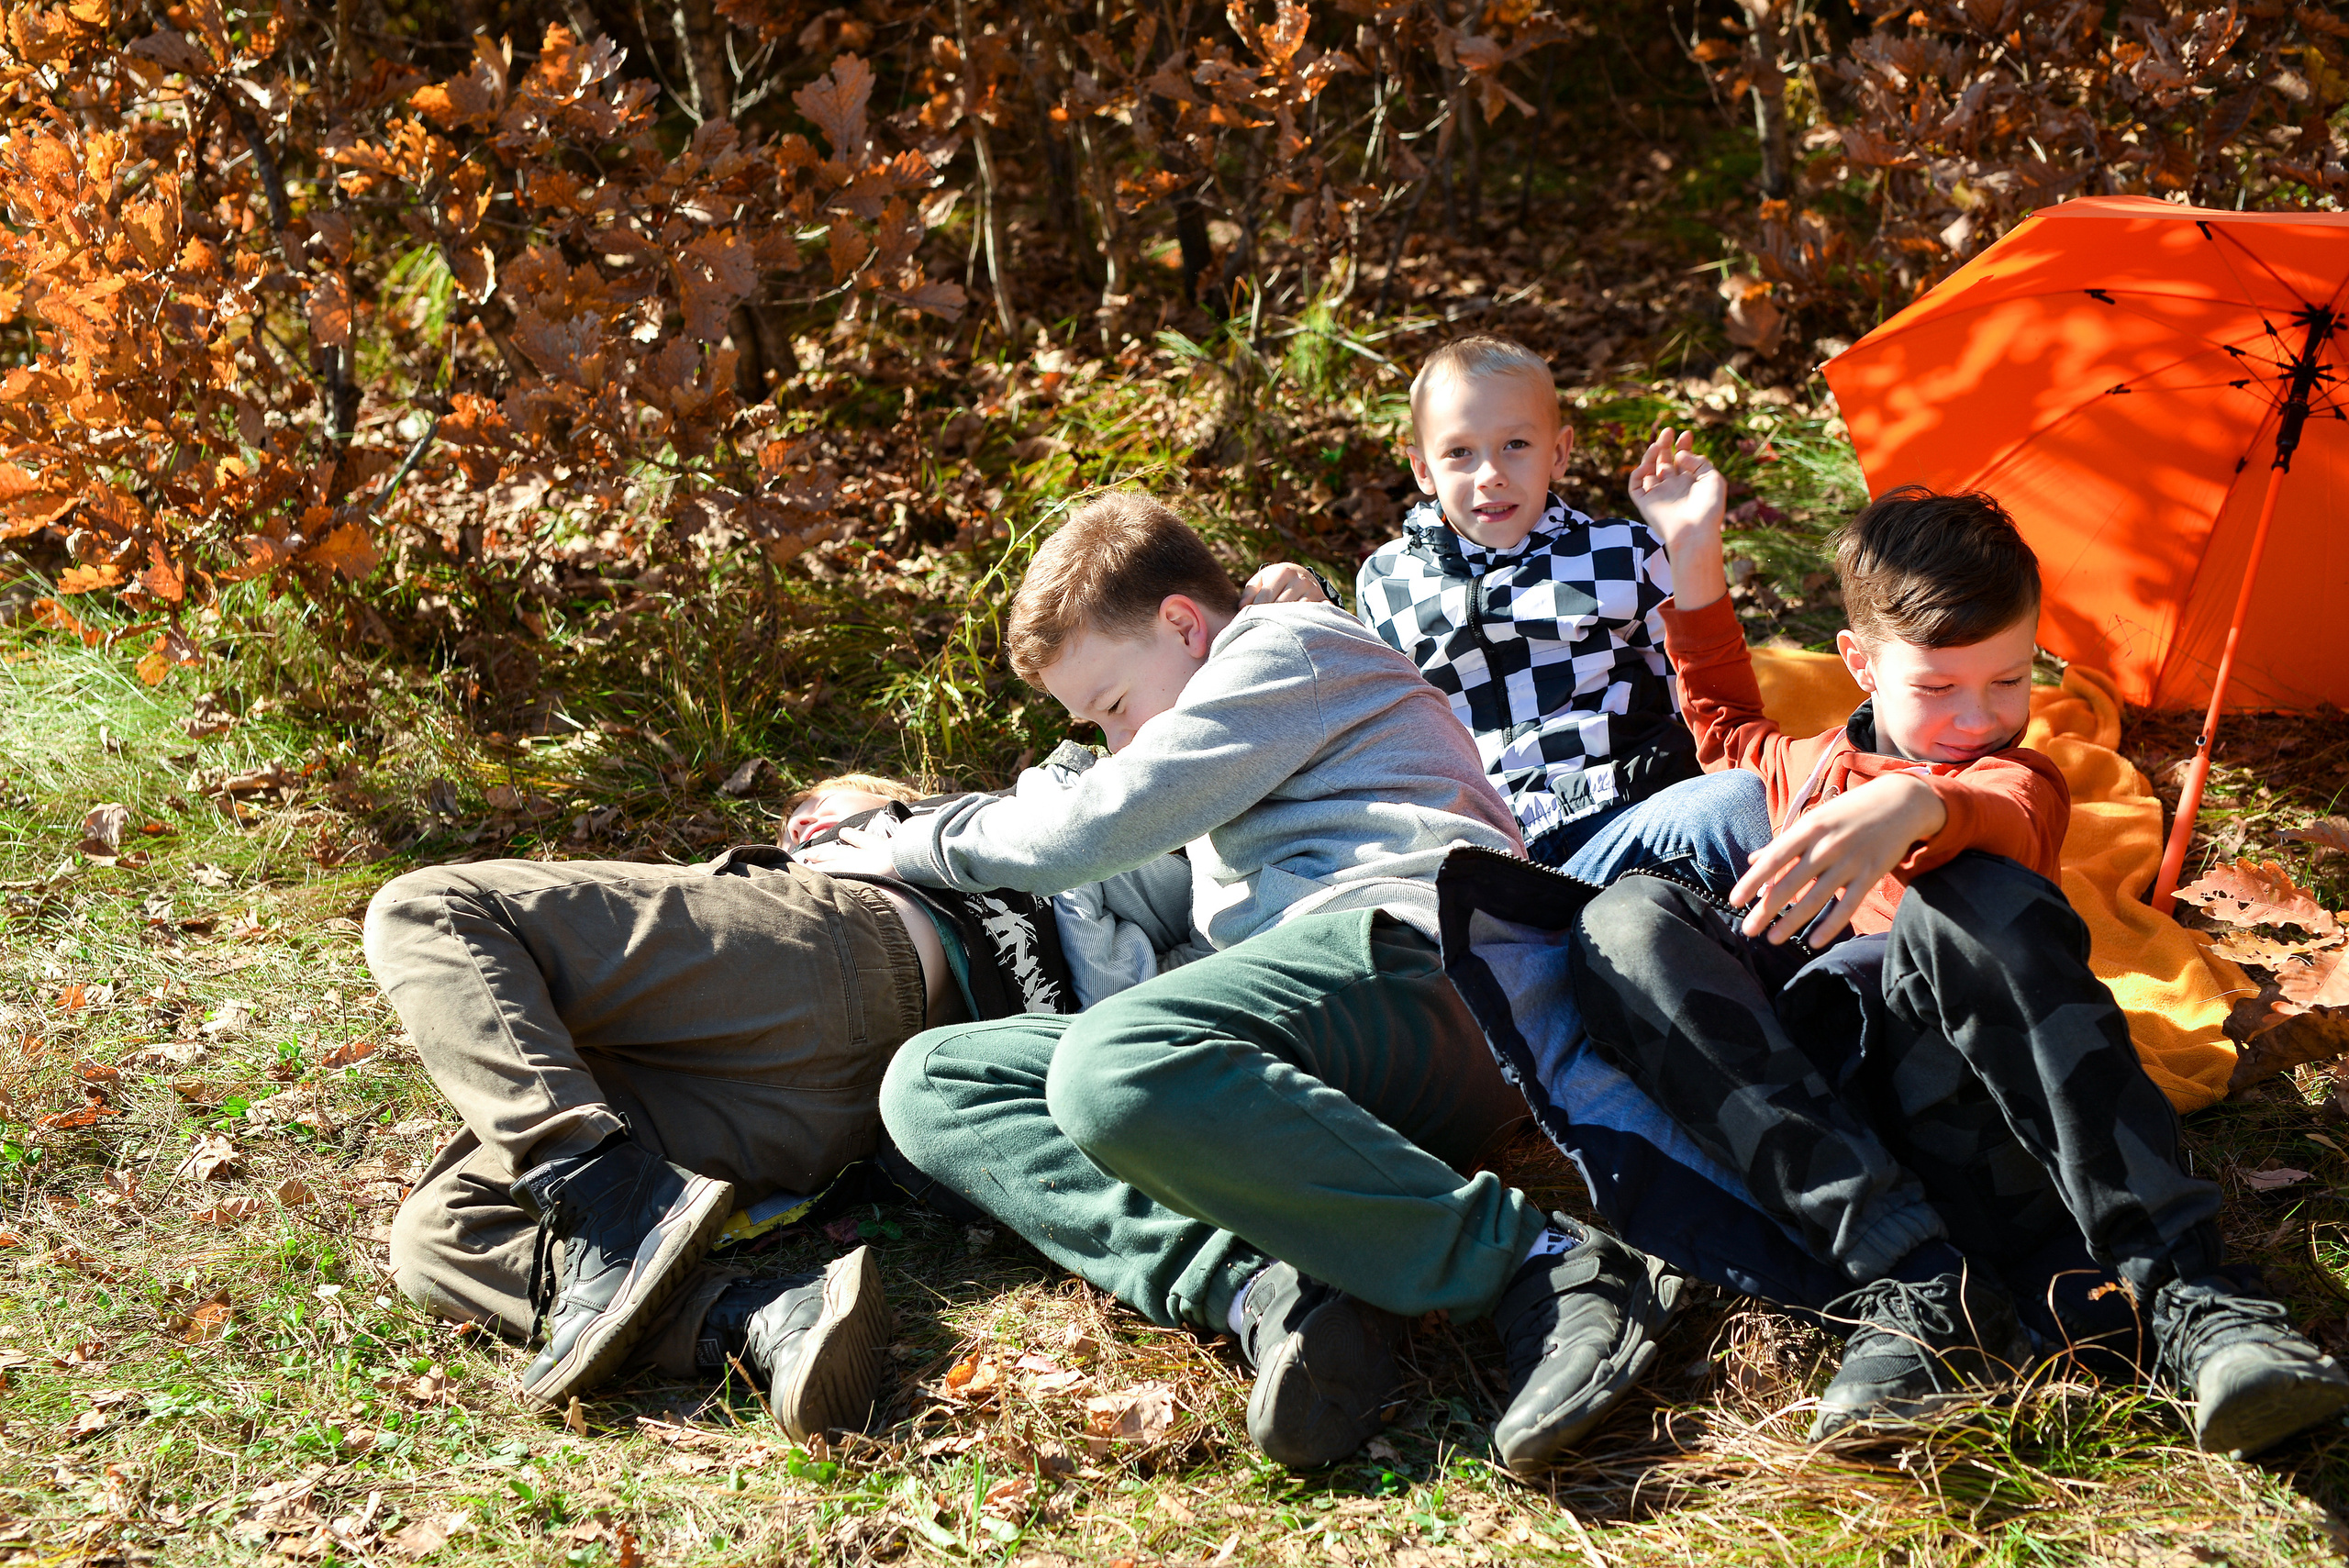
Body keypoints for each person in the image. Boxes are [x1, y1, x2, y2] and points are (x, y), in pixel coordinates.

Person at [1479, 433, 2349, 1455]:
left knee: (1966, 896)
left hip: (1979, 1105)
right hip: (1835, 1141)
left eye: (2009, 681)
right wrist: (1691, 545)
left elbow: (1996, 815)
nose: (1977, 718)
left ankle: (2192, 1297)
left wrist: (1910, 801)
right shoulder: (1801, 769)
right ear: (1859, 664)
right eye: (1937, 687)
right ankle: (1915, 1292)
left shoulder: (2018, 782)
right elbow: (1716, 721)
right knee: (1618, 921)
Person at [799, 491, 1685, 1476]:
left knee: (1109, 1065)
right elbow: (1128, 868)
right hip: (1322, 1039)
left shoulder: (1287, 647)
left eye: (1114, 708)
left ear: (1183, 623)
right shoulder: (1228, 731)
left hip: (1428, 971)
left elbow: (1094, 822)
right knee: (933, 1079)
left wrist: (903, 839)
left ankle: (1540, 1263)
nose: (1115, 744)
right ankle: (1276, 1288)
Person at [363, 768, 1187, 1433]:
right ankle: (754, 1320)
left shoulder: (1009, 815)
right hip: (829, 1121)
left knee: (426, 907)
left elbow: (1191, 770)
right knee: (436, 1231)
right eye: (792, 822)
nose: (795, 824)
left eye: (816, 805)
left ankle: (605, 1192)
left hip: (842, 958)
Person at [1258, 334, 1765, 892]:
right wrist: (1315, 604)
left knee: (1736, 802)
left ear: (1560, 452)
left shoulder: (1622, 553)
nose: (1490, 474)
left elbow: (1699, 691)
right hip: (1484, 850)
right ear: (1422, 469)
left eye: (1516, 444)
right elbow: (1373, 707)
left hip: (1619, 814)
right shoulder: (1387, 582)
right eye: (1459, 453)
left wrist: (1691, 546)